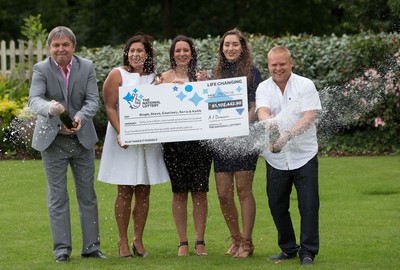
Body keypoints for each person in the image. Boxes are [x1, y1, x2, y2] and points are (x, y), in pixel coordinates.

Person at [28, 26, 105, 262]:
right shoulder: (41, 69)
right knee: (57, 197)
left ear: (73, 46)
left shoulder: (87, 67)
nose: (60, 49)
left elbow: (93, 100)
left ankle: (92, 247)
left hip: (82, 140)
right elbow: (34, 100)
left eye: (65, 45)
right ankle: (62, 250)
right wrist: (50, 109)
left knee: (87, 195)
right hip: (52, 141)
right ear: (50, 47)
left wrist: (81, 117)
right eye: (56, 45)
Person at [98, 34, 170, 258]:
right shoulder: (117, 74)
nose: (136, 54)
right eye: (132, 51)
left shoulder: (153, 79)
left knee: (144, 190)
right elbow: (110, 107)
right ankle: (122, 241)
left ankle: (138, 240)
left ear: (147, 54)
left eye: (140, 51)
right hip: (123, 140)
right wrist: (122, 133)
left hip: (147, 142)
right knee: (124, 190)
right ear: (127, 53)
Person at [255, 45, 321, 265]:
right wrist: (271, 123)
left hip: (304, 155)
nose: (278, 68)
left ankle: (308, 251)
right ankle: (288, 248)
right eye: (274, 65)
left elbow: (309, 116)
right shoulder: (263, 88)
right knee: (276, 205)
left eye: (282, 64)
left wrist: (288, 134)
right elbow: (262, 111)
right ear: (268, 66)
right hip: (276, 158)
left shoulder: (305, 85)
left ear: (291, 64)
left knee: (309, 205)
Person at [211, 28, 262, 258]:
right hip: (221, 141)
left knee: (243, 190)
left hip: (244, 139)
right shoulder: (216, 73)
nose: (230, 48)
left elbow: (254, 106)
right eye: (226, 45)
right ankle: (236, 238)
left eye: (235, 44)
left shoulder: (252, 72)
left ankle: (248, 243)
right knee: (223, 194)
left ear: (242, 47)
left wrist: (238, 126)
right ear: (222, 49)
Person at [160, 35, 212, 256]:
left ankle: (200, 241)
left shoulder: (202, 76)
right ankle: (183, 242)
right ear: (172, 54)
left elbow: (211, 106)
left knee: (200, 191)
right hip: (173, 143)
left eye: (186, 50)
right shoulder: (162, 78)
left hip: (200, 142)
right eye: (178, 50)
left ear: (192, 53)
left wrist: (203, 86)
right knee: (179, 192)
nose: (182, 54)